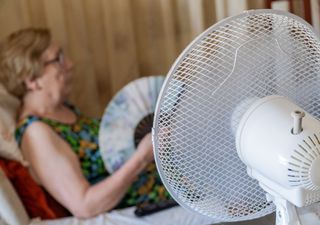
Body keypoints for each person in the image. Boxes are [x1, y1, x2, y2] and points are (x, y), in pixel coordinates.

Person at [0, 28, 170, 218]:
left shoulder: (63, 110)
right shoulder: (36, 133)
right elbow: (84, 205)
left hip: (165, 184)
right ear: (32, 80)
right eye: (58, 59)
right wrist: (141, 159)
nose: (70, 64)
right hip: (148, 204)